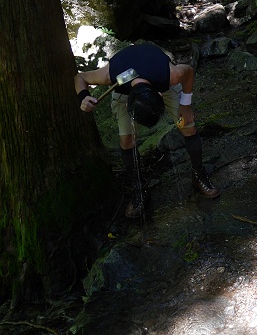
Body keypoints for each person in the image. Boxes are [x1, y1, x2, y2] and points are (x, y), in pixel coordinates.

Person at [75, 43, 220, 218]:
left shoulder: (170, 75)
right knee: (126, 140)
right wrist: (83, 97)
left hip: (158, 82)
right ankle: (139, 189)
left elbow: (188, 71)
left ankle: (199, 174)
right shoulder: (110, 75)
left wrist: (185, 104)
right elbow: (80, 77)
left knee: (187, 126)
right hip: (127, 87)